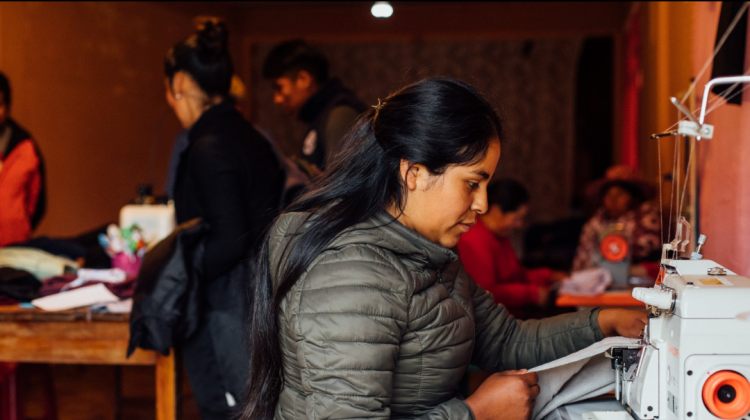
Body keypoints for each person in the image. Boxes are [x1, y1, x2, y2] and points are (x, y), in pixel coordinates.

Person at [243, 78, 647, 420]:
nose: (483, 204)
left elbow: (506, 341)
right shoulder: (348, 273)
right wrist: (476, 412)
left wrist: (605, 322)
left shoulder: (430, 252)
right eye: (472, 183)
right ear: (414, 173)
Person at [164, 18, 284, 419]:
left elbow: (232, 237)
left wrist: (182, 272)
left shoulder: (208, 146)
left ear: (180, 84)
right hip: (259, 297)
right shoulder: (249, 136)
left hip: (228, 306)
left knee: (229, 408)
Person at [458, 179, 567, 318]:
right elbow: (486, 292)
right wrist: (533, 294)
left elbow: (516, 274)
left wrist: (549, 276)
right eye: (516, 218)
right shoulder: (475, 239)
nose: (519, 225)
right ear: (496, 211)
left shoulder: (499, 235)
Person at [262, 39, 366, 172]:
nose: (277, 99)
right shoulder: (323, 116)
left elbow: (343, 186)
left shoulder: (340, 114)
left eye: (279, 87)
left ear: (303, 79)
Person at [572, 165, 661, 272]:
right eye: (608, 195)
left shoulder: (647, 217)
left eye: (620, 194)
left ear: (633, 197)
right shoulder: (595, 222)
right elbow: (583, 257)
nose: (613, 200)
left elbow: (646, 253)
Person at [0, 71, 46, 247]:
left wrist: (20, 226)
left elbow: (38, 201)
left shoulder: (26, 147)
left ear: (8, 106)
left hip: (16, 244)